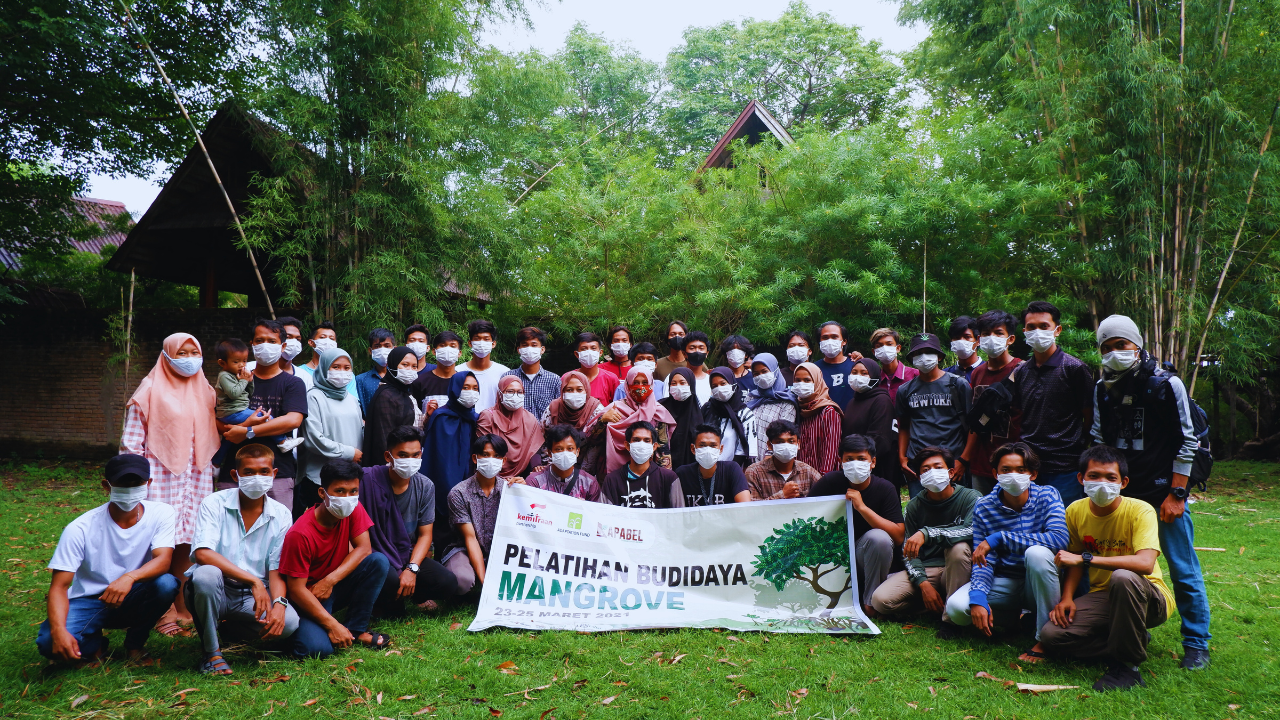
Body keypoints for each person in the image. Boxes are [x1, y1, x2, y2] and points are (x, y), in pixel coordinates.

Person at [1091, 314, 1211, 670]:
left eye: (1122, 346)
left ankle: (1196, 643)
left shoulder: (1165, 384)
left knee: (1182, 568)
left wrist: (1178, 493)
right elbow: (1099, 439)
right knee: (1123, 568)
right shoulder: (1102, 389)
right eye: (1107, 348)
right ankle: (1128, 630)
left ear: (1137, 345)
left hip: (1163, 494)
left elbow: (1188, 441)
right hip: (1122, 495)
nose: (1115, 353)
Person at [1034, 445, 1173, 691]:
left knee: (1122, 577)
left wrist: (1087, 559)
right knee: (1052, 636)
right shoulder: (1075, 511)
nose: (1102, 483)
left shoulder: (1140, 510)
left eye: (1111, 477)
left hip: (1149, 597)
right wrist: (1067, 598)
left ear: (1124, 482)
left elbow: (1144, 563)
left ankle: (1128, 667)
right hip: (1105, 596)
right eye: (1094, 476)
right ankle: (1130, 639)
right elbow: (1073, 558)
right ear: (1081, 479)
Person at [38, 454, 179, 666]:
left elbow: (163, 560)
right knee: (50, 644)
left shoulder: (162, 513)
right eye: (123, 483)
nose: (130, 488)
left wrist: (129, 577)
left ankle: (135, 644)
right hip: (90, 599)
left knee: (166, 584)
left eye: (137, 482)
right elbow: (59, 587)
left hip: (133, 594)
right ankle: (95, 644)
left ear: (148, 483)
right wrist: (58, 631)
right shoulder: (80, 528)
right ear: (107, 485)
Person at [122, 332, 219, 635]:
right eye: (182, 353)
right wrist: (134, 482)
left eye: (195, 352)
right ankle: (161, 610)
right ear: (166, 355)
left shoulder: (205, 389)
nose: (190, 359)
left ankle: (182, 604)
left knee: (187, 540)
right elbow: (131, 442)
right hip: (160, 474)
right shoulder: (149, 389)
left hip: (197, 475)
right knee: (159, 541)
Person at [944, 442, 1068, 657]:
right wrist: (978, 596)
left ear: (1033, 474)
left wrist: (1000, 538)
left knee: (1037, 553)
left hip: (1041, 580)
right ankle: (1020, 621)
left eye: (1021, 470)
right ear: (995, 473)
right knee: (957, 607)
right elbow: (984, 560)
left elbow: (1059, 540)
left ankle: (1046, 638)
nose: (1013, 475)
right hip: (1006, 582)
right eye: (1006, 470)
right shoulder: (985, 506)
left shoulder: (1048, 495)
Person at [187, 445, 298, 675]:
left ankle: (228, 630)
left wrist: (279, 603)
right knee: (206, 574)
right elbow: (203, 553)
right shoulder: (214, 503)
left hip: (252, 598)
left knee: (289, 623)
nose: (257, 477)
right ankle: (211, 653)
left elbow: (276, 567)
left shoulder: (282, 514)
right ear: (235, 475)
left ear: (274, 474)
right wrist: (254, 582)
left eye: (264, 471)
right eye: (248, 472)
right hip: (217, 589)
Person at [279, 459, 391, 657]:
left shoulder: (353, 508)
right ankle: (300, 632)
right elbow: (296, 590)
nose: (347, 497)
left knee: (378, 562)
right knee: (317, 649)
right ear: (322, 493)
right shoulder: (300, 534)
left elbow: (364, 548)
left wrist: (330, 580)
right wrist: (332, 625)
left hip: (329, 586)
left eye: (353, 491)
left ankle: (355, 630)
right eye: (340, 491)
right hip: (307, 596)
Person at [870, 446, 978, 638]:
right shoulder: (914, 506)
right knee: (881, 601)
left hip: (959, 567)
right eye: (925, 470)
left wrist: (927, 533)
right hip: (929, 570)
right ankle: (937, 605)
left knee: (958, 548)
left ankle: (951, 623)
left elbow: (972, 530)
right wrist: (923, 585)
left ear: (951, 472)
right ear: (919, 477)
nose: (932, 473)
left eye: (937, 467)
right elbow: (908, 551)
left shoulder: (971, 498)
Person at [361, 427, 459, 615]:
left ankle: (407, 594)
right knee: (388, 579)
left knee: (448, 583)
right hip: (374, 554)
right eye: (403, 455)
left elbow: (425, 534)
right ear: (388, 456)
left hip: (405, 553)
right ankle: (386, 599)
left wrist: (412, 569)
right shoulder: (366, 480)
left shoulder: (425, 486)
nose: (410, 461)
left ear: (421, 454)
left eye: (415, 455)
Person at [808, 434, 905, 617]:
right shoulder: (830, 482)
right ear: (841, 461)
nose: (855, 464)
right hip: (833, 554)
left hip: (866, 558)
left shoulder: (885, 488)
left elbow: (899, 535)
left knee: (879, 538)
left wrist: (862, 508)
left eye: (861, 459)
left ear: (873, 462)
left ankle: (870, 603)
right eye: (849, 459)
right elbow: (807, 514)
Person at [1011, 301, 1094, 504]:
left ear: (1057, 330)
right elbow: (1021, 415)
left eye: (1043, 326)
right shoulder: (1021, 372)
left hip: (1065, 467)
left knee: (1064, 527)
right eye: (1031, 327)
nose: (1037, 331)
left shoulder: (1074, 368)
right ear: (1024, 331)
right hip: (1030, 467)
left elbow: (1089, 417)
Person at [896, 332, 971, 498]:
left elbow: (972, 426)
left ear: (939, 356)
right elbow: (904, 426)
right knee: (921, 512)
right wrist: (902, 458)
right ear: (912, 358)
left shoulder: (958, 384)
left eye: (929, 352)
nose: (924, 357)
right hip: (918, 464)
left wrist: (963, 460)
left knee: (956, 512)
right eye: (918, 353)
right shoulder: (905, 390)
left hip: (952, 462)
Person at [961, 310, 1023, 496]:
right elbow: (976, 420)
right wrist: (966, 458)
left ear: (1010, 339)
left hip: (1014, 463)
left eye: (998, 333)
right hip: (982, 462)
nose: (992, 338)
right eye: (986, 334)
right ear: (979, 340)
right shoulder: (977, 373)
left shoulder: (1022, 370)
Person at [299, 348, 364, 520]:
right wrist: (349, 453)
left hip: (349, 475)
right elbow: (313, 439)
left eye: (346, 367)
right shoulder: (313, 397)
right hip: (320, 477)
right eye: (336, 367)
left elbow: (359, 431)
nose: (342, 372)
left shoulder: (351, 398)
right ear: (324, 368)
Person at [442, 435, 511, 595]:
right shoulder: (459, 493)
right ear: (475, 458)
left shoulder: (509, 490)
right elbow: (470, 539)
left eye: (496, 456)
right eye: (485, 455)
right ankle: (478, 584)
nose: (490, 460)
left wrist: (523, 493)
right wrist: (485, 582)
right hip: (465, 549)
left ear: (504, 461)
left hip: (498, 550)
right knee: (462, 581)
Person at [421, 371, 481, 528]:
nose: (471, 392)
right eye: (465, 387)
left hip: (469, 481)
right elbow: (436, 458)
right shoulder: (441, 417)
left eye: (475, 388)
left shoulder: (476, 418)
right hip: (444, 482)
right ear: (455, 388)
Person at [603, 366, 676, 475]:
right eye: (635, 382)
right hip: (615, 475)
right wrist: (602, 420)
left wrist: (663, 480)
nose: (640, 387)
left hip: (649, 475)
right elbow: (593, 440)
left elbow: (663, 451)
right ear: (627, 385)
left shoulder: (658, 412)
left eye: (645, 383)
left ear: (651, 385)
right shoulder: (614, 409)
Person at [841, 358, 898, 488]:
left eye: (864, 373)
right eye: (854, 372)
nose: (857, 376)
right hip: (853, 467)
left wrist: (862, 462)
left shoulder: (881, 400)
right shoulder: (852, 402)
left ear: (874, 377)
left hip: (876, 468)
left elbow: (880, 439)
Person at [600, 422, 684, 508]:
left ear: (654, 446)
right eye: (636, 440)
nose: (641, 445)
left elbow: (679, 515)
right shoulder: (612, 480)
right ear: (627, 445)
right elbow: (604, 516)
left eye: (647, 441)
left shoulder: (669, 478)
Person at [541, 370, 608, 479]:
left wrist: (582, 476)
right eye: (569, 390)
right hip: (554, 462)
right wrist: (550, 469)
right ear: (562, 390)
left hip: (586, 466)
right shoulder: (553, 408)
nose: (574, 393)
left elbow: (595, 445)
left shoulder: (596, 410)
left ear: (586, 390)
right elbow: (544, 440)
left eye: (579, 389)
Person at [213, 338, 267, 469]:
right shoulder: (225, 375)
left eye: (244, 361)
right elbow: (234, 393)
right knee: (266, 418)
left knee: (229, 438)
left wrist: (249, 380)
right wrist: (243, 381)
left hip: (238, 410)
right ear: (222, 363)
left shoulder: (238, 374)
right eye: (236, 362)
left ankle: (216, 463)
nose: (242, 365)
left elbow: (249, 393)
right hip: (231, 412)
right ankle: (282, 441)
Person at [478, 375, 546, 477]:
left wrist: (536, 466)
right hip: (490, 473)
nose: (515, 396)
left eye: (519, 392)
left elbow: (534, 449)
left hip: (521, 476)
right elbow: (482, 449)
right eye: (510, 391)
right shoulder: (488, 416)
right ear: (500, 394)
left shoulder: (529, 418)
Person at [362, 347, 419, 467]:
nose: (410, 370)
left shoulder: (403, 392)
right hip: (393, 464)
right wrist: (393, 465)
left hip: (407, 459)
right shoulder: (387, 396)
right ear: (392, 365)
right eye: (405, 364)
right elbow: (384, 438)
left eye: (414, 366)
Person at [521, 424, 603, 501]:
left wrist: (584, 508)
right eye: (559, 449)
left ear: (577, 452)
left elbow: (595, 514)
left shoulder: (589, 484)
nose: (565, 453)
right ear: (549, 452)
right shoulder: (535, 482)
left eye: (570, 448)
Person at [675, 424, 752, 505]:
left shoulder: (732, 470)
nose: (708, 450)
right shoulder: (682, 474)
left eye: (713, 445)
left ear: (721, 449)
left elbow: (745, 506)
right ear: (693, 449)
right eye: (702, 445)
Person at [744, 419, 820, 500]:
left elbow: (826, 496)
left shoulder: (807, 471)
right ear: (770, 445)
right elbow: (753, 509)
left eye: (791, 441)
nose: (786, 446)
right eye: (780, 442)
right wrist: (783, 495)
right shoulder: (754, 472)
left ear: (798, 444)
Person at [792, 362, 843, 474]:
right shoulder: (797, 408)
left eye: (807, 380)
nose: (801, 384)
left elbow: (831, 450)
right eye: (797, 380)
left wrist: (823, 478)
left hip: (821, 479)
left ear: (817, 381)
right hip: (800, 477)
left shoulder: (828, 412)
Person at [501, 326, 561, 421]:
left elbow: (559, 412)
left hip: (544, 434)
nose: (529, 349)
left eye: (534, 345)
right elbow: (501, 409)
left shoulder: (554, 380)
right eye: (525, 345)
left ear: (542, 349)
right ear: (518, 350)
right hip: (514, 433)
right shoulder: (508, 378)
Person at [746, 352, 797, 458]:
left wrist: (768, 457)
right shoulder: (751, 398)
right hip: (748, 459)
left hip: (773, 460)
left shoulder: (786, 402)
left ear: (775, 371)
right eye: (756, 374)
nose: (761, 376)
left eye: (764, 371)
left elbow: (784, 434)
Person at [703, 366, 757, 465]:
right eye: (714, 386)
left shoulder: (744, 414)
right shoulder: (707, 409)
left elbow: (744, 450)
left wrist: (729, 472)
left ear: (733, 384)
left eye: (723, 383)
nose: (719, 388)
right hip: (706, 468)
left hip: (733, 469)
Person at [659, 367, 703, 471]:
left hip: (691, 471)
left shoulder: (698, 411)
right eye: (673, 383)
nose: (678, 387)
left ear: (691, 385)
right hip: (664, 469)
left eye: (682, 383)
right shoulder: (660, 408)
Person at [296, 322, 356, 396]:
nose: (328, 342)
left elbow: (352, 400)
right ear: (311, 342)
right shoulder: (299, 372)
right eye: (322, 337)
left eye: (331, 339)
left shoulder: (345, 373)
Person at [411, 330, 462, 415]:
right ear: (434, 351)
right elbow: (415, 416)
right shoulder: (420, 381)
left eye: (452, 346)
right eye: (442, 345)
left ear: (459, 353)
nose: (447, 350)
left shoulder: (463, 382)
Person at [463, 319, 510, 412]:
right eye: (477, 338)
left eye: (486, 339)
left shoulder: (504, 373)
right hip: (466, 424)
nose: (481, 343)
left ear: (493, 344)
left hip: (494, 424)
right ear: (470, 343)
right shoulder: (459, 371)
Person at [870, 328, 920, 403]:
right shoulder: (874, 380)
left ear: (898, 348)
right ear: (874, 352)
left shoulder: (915, 375)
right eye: (879, 346)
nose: (884, 348)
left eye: (889, 344)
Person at [815, 321, 857, 408]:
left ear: (844, 341)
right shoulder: (814, 369)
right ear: (820, 341)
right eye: (825, 337)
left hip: (853, 419)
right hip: (824, 419)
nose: (830, 341)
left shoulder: (856, 366)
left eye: (834, 337)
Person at [572, 331, 620, 405]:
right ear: (576, 354)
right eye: (584, 349)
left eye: (593, 348)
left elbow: (618, 407)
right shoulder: (568, 378)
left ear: (600, 352)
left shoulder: (611, 379)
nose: (589, 352)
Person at [355, 328, 396, 414]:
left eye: (387, 346)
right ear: (370, 350)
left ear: (394, 348)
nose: (382, 350)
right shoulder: (360, 380)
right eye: (377, 346)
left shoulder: (401, 377)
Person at [942, 316, 984, 382]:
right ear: (951, 341)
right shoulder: (944, 376)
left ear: (978, 340)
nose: (961, 341)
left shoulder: (988, 372)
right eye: (957, 337)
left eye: (967, 337)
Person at [681, 331, 714, 404]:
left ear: (707, 353)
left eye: (701, 348)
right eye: (692, 348)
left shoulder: (712, 381)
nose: (697, 351)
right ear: (684, 353)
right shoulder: (674, 379)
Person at [719, 334, 755, 400]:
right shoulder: (719, 378)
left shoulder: (754, 379)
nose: (735, 353)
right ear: (726, 355)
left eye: (739, 349)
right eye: (731, 349)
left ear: (746, 355)